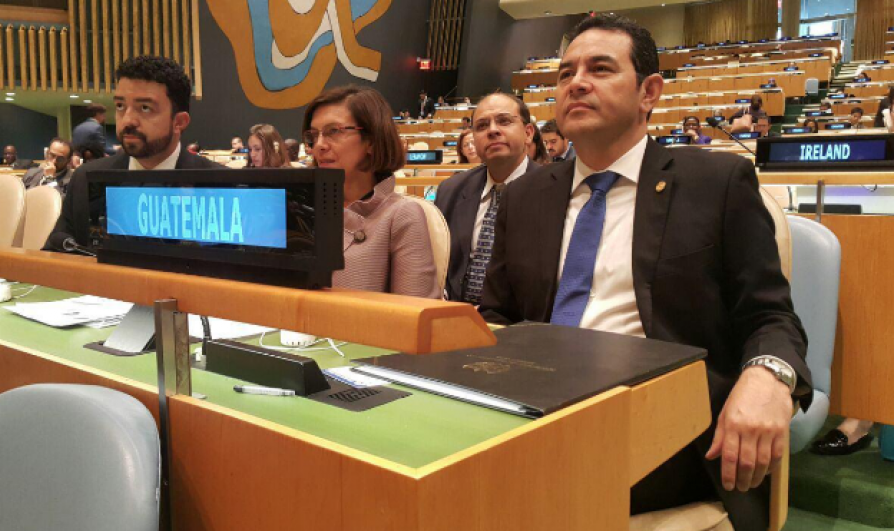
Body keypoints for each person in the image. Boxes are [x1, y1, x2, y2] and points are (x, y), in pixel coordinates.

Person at [478, 15, 812, 530]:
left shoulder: (716, 182)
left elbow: (770, 317)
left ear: (649, 92)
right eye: (565, 73)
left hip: (661, 426)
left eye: (601, 68)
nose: (577, 82)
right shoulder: (526, 195)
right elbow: (496, 316)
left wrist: (768, 376)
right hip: (532, 406)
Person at [46, 56, 223, 251]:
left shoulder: (219, 186)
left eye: (145, 108)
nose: (127, 120)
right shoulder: (87, 180)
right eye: (121, 106)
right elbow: (57, 255)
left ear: (179, 122)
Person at [302, 85, 439, 298]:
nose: (318, 145)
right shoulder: (302, 209)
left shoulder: (402, 215)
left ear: (372, 141)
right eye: (313, 136)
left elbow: (415, 320)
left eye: (333, 131)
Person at [435, 93, 539, 303]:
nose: (492, 130)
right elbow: (438, 265)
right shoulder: (451, 190)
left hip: (521, 325)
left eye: (504, 121)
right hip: (454, 318)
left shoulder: (551, 191)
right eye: (482, 126)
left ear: (528, 133)